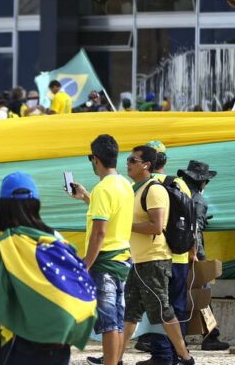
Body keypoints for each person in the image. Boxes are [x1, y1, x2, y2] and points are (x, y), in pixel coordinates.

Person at [0, 172, 96, 364]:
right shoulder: (56, 239)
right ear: (36, 204)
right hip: (58, 340)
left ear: (3, 207)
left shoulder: (6, 244)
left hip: (21, 341)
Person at [120, 145, 195, 365]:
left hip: (154, 260)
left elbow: (156, 226)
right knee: (131, 312)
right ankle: (114, 358)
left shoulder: (154, 190)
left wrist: (126, 225)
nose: (128, 163)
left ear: (146, 165)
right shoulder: (136, 189)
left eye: (133, 160)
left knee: (164, 311)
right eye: (128, 159)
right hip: (139, 260)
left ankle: (185, 357)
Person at [67, 135, 134, 365]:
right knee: (116, 319)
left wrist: (86, 263)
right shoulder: (125, 184)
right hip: (123, 258)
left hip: (104, 261)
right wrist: (86, 197)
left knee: (107, 324)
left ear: (96, 159)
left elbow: (99, 232)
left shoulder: (102, 189)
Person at [177, 160, 232, 352]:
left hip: (174, 252)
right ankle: (210, 336)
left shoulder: (178, 194)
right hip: (192, 252)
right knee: (203, 293)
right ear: (203, 182)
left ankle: (161, 337)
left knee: (176, 295)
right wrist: (195, 254)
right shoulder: (199, 200)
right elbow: (195, 230)